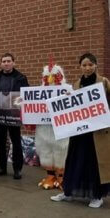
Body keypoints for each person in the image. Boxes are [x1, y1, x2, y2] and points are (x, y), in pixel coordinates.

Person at [51, 53, 110, 208]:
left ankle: (97, 196)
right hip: (79, 132)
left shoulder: (103, 82)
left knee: (94, 163)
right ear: (80, 67)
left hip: (97, 133)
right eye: (84, 65)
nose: (87, 68)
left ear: (96, 65)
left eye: (90, 64)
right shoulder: (76, 85)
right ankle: (69, 192)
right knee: (75, 161)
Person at [0, 53, 29, 180]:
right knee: (0, 142)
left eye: (8, 61)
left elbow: (26, 95)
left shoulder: (21, 78)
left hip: (13, 116)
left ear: (13, 62)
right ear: (1, 64)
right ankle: (1, 167)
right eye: (4, 61)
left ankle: (17, 169)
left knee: (16, 142)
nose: (6, 63)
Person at [35, 61, 69, 190]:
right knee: (45, 150)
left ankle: (61, 176)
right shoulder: (38, 94)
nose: (50, 79)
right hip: (44, 127)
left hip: (60, 127)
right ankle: (50, 176)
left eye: (54, 76)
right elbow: (31, 106)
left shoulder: (67, 91)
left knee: (61, 149)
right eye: (48, 76)